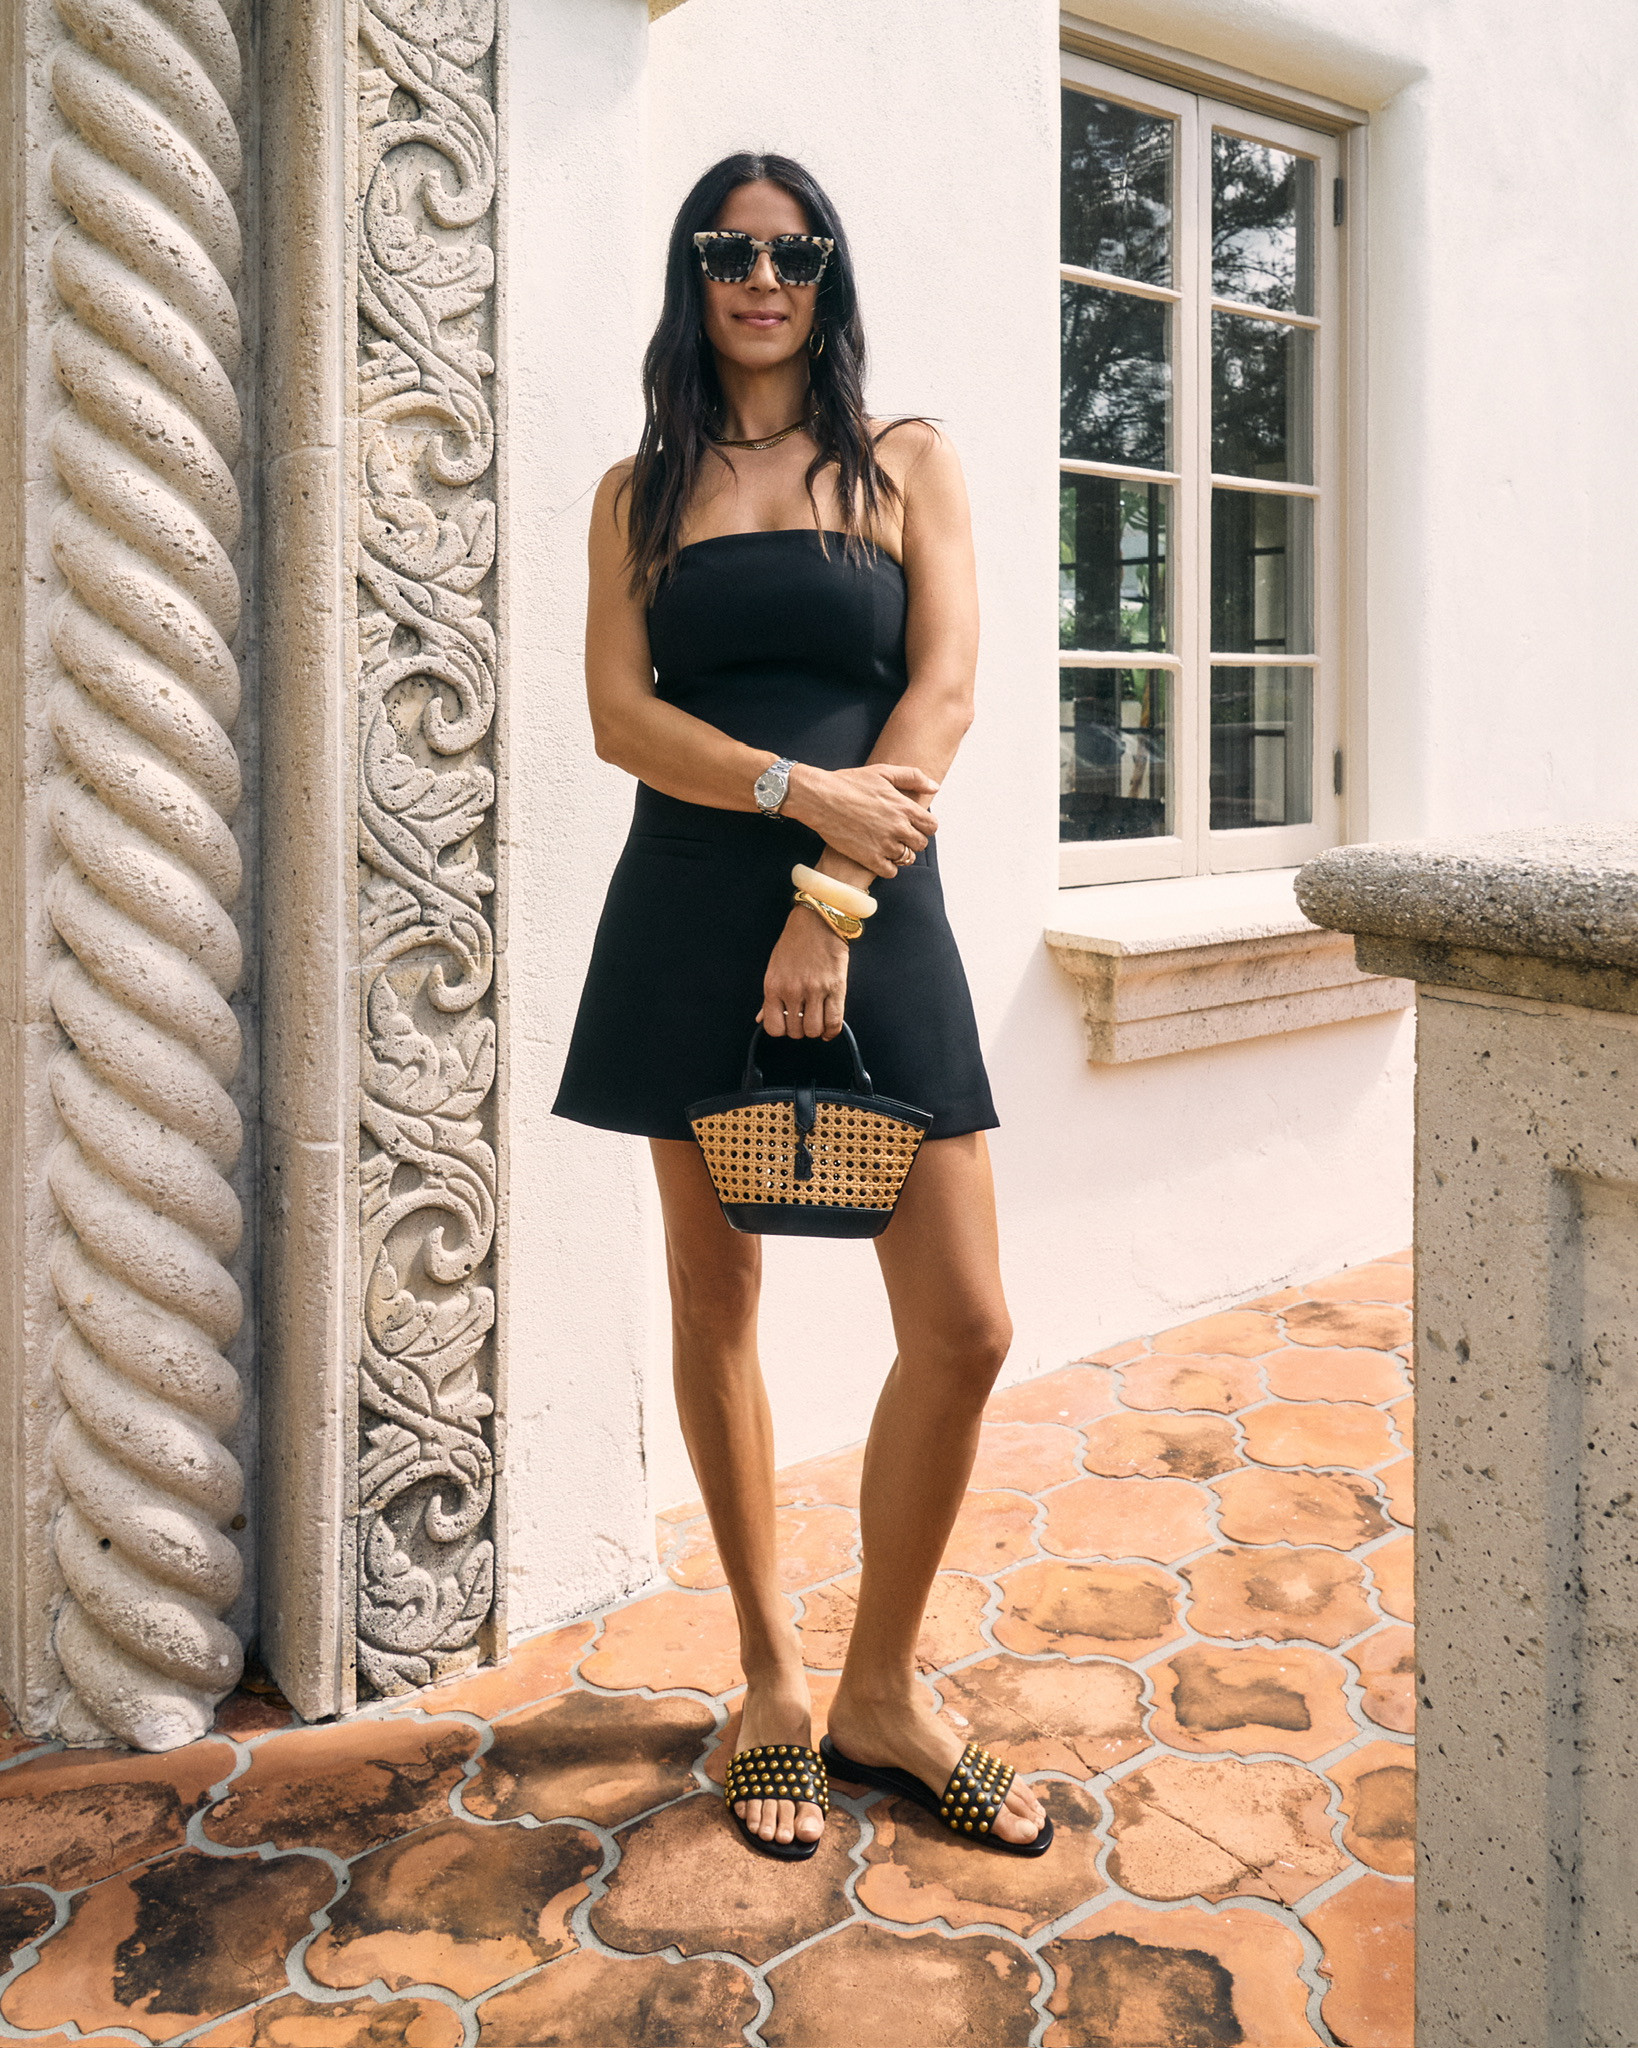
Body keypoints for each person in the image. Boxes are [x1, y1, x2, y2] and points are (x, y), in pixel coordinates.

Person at [554, 152, 1049, 1862]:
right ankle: (771, 1677)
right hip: (690, 911)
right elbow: (621, 718)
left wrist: (835, 888)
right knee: (717, 1296)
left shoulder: (903, 461)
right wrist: (791, 796)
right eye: (729, 249)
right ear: (692, 277)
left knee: (967, 1324)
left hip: (876, 899)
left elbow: (947, 688)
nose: (764, 275)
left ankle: (885, 1690)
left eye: (796, 249)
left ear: (830, 275)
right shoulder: (637, 490)